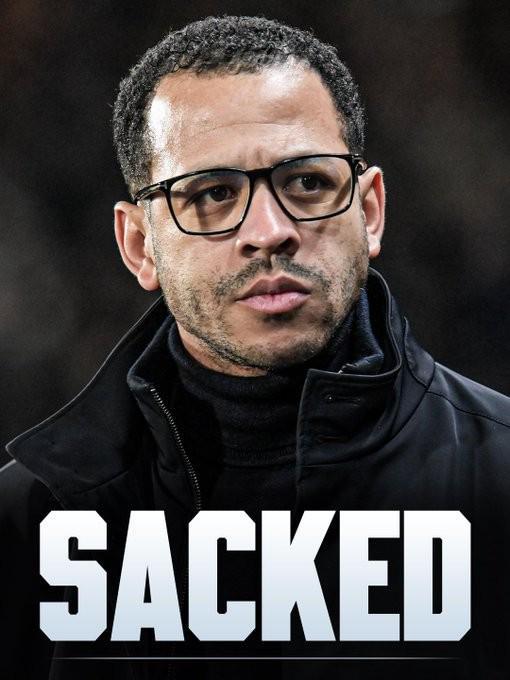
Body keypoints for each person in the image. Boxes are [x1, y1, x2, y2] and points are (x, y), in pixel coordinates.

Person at [1, 14, 509, 680]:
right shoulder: (29, 527)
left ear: (370, 210)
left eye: (307, 183)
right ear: (139, 246)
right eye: (212, 194)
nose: (269, 232)